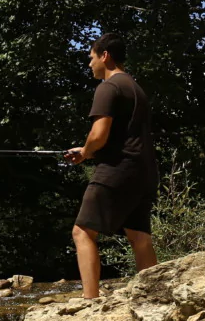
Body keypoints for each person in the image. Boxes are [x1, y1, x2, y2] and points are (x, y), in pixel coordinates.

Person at [64, 33, 159, 298]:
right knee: (139, 236)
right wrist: (88, 152)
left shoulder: (108, 87)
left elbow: (99, 135)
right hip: (143, 172)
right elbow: (123, 136)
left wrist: (84, 152)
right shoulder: (135, 88)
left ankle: (89, 300)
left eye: (91, 58)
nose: (89, 64)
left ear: (104, 55)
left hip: (117, 170)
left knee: (82, 231)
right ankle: (152, 295)